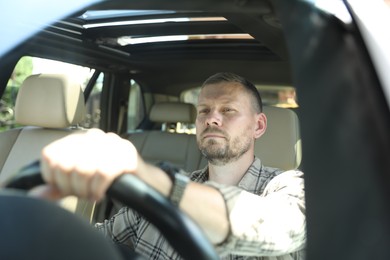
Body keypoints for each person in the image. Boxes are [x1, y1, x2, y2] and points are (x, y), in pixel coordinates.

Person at [33, 72, 306, 259]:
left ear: (258, 126)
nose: (212, 119)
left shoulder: (289, 187)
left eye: (228, 110)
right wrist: (39, 224)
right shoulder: (158, 193)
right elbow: (97, 241)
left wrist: (147, 177)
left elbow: (277, 227)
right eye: (203, 111)